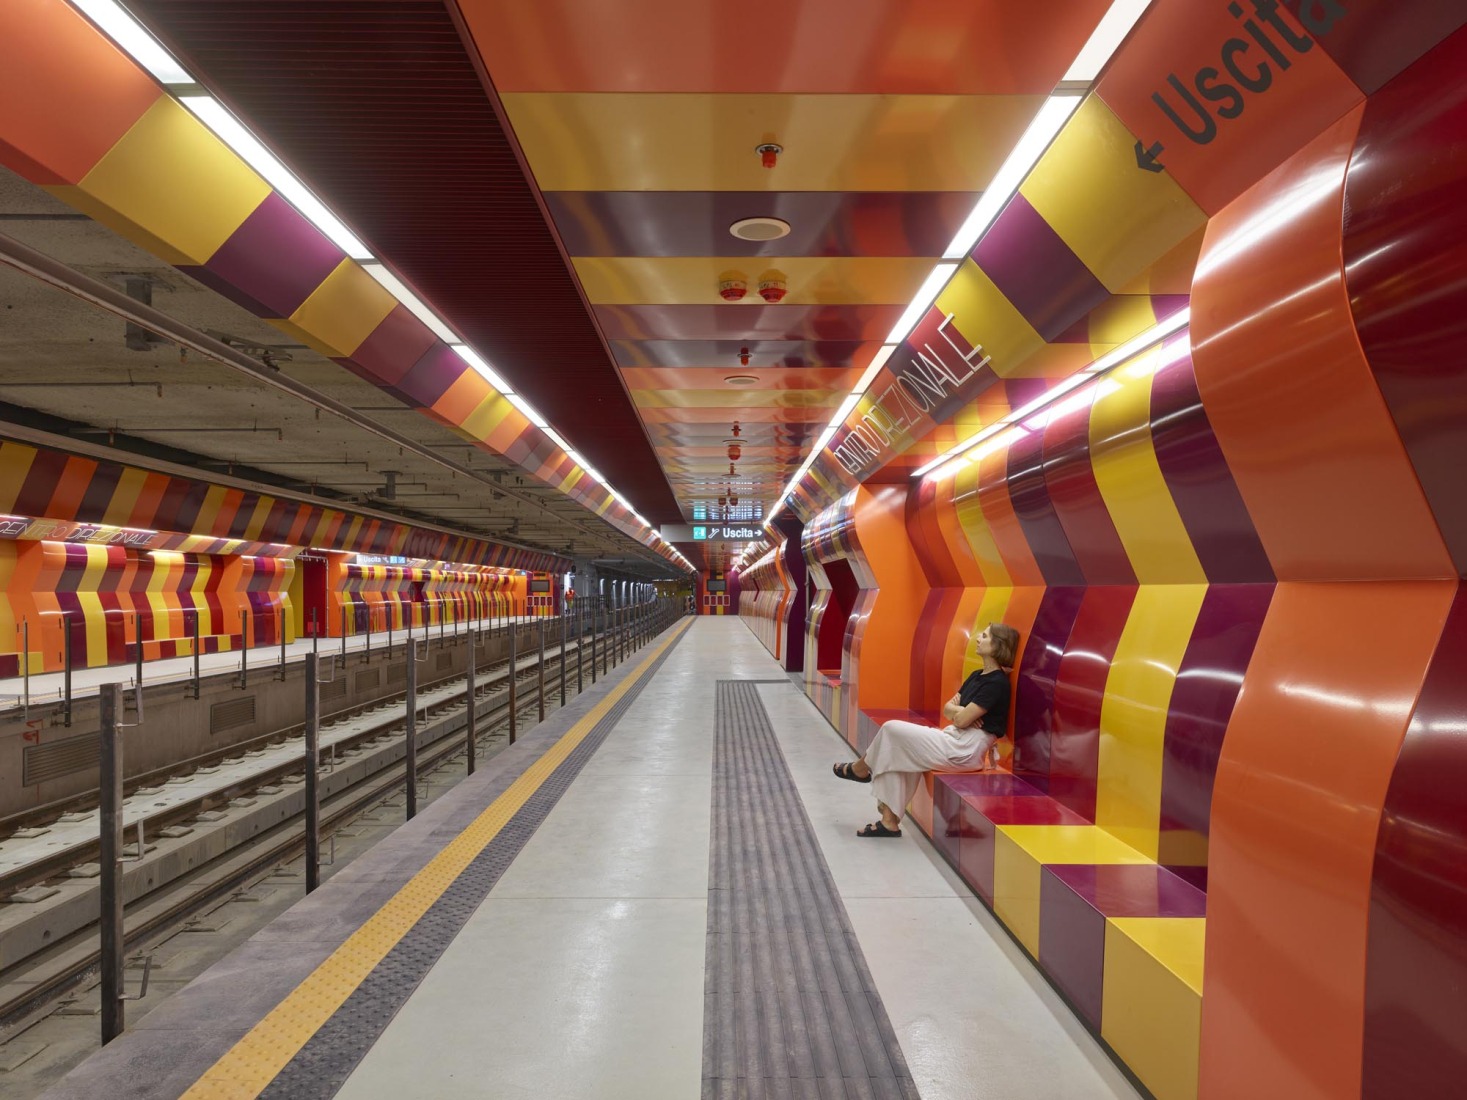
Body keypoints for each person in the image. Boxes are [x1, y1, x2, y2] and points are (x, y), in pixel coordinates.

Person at [832, 622, 1019, 838]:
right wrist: (960, 713)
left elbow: (958, 718)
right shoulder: (977, 675)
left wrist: (960, 715)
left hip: (965, 749)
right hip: (956, 738)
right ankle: (889, 822)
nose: (978, 639)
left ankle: (861, 768)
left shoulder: (997, 683)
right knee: (898, 749)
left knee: (891, 728)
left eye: (985, 636)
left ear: (997, 646)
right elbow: (949, 710)